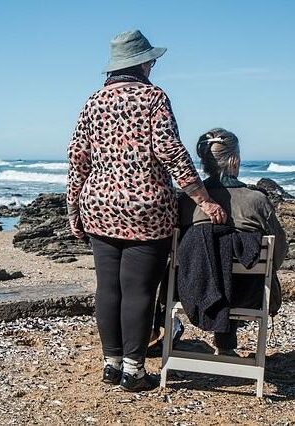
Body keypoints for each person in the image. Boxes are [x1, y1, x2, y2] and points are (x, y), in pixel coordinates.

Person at [66, 30, 227, 391]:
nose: (153, 65)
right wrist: (203, 198)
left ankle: (111, 364)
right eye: (150, 60)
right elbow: (170, 151)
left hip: (100, 205)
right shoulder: (153, 97)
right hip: (146, 209)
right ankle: (133, 371)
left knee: (108, 288)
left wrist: (73, 208)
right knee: (138, 289)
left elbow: (77, 158)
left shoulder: (93, 101)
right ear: (141, 63)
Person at [178, 128, 287, 355]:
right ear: (234, 159)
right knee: (239, 269)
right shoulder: (257, 201)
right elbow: (279, 251)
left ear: (204, 161)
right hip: (249, 293)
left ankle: (160, 334)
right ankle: (226, 345)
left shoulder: (187, 202)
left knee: (211, 262)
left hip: (193, 291)